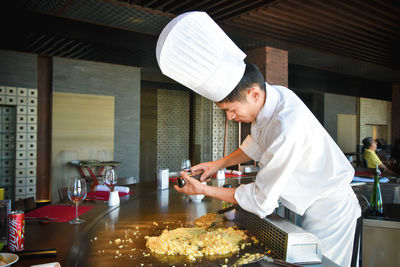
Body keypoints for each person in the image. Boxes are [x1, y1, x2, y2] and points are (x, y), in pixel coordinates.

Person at [156, 11, 360, 267]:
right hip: (309, 205)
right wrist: (217, 164)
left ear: (253, 94)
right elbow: (256, 144)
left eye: (231, 109)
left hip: (331, 210)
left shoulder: (288, 125)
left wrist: (204, 190)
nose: (230, 117)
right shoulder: (274, 98)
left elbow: (261, 200)